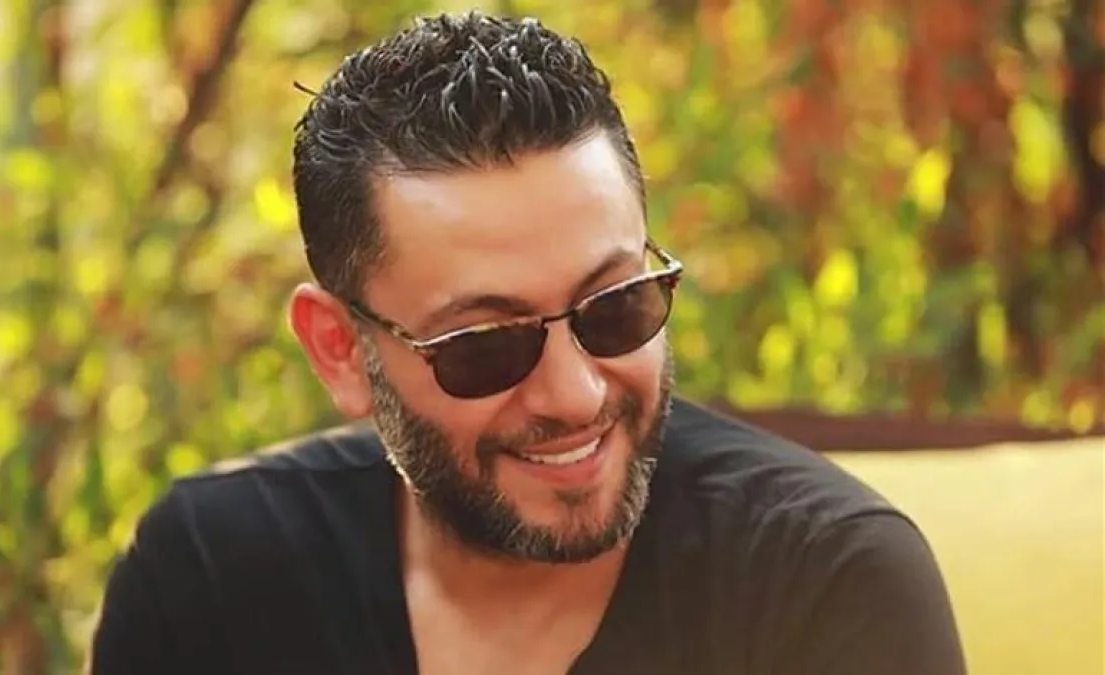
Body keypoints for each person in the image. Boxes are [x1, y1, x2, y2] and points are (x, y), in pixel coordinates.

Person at [89, 11, 966, 675]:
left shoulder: (824, 585)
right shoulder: (208, 580)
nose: (576, 394)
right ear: (340, 350)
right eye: (486, 345)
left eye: (615, 307)